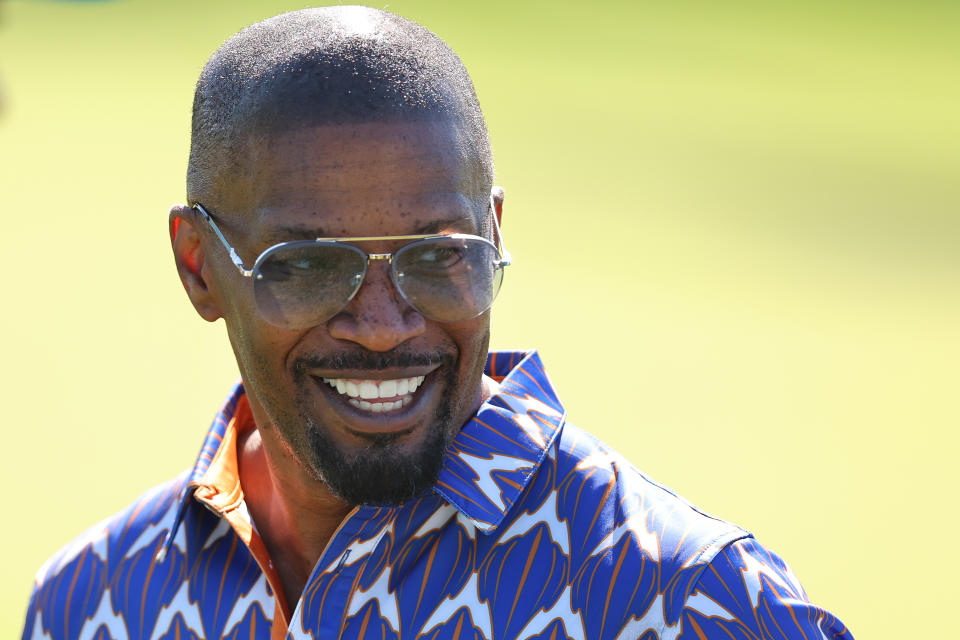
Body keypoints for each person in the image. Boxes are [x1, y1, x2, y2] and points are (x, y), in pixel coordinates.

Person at [21, 7, 853, 639]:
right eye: (309, 265)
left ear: (493, 236)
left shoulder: (687, 601)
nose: (382, 327)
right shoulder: (95, 601)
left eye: (436, 255)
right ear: (199, 265)